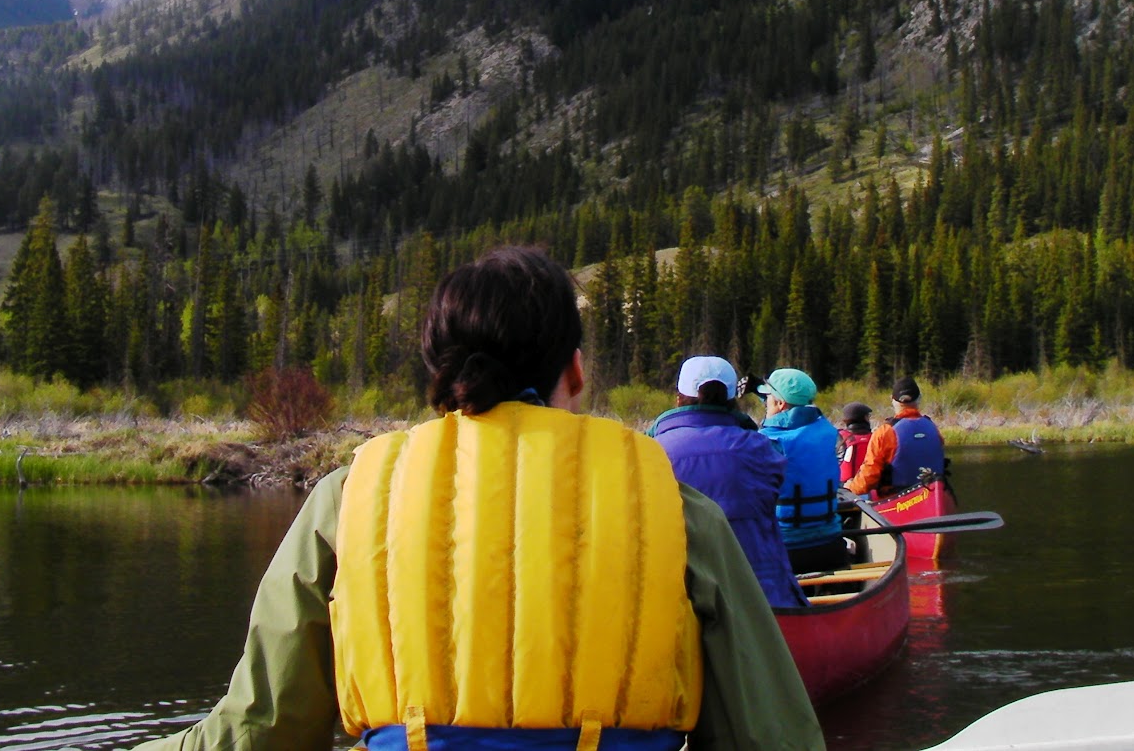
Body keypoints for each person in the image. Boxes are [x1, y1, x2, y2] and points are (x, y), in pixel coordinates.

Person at [134, 246, 823, 751]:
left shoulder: (346, 498)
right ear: (576, 371)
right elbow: (772, 735)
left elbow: (261, 729)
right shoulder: (673, 508)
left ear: (441, 373)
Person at [649, 356, 808, 608]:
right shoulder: (762, 450)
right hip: (761, 597)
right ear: (733, 400)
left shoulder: (649, 453)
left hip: (681, 600)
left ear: (679, 398)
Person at [756, 367, 846, 574]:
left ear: (780, 403)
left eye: (767, 398)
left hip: (785, 548)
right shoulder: (829, 432)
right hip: (830, 543)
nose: (765, 402)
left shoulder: (766, 442)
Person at [844, 376, 946, 497]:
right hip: (932, 495)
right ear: (920, 398)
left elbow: (868, 476)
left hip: (896, 500)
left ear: (892, 400)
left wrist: (851, 486)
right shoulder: (933, 428)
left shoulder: (885, 432)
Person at [836, 401, 874, 483]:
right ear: (865, 418)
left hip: (845, 486)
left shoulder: (840, 437)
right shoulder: (874, 437)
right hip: (870, 485)